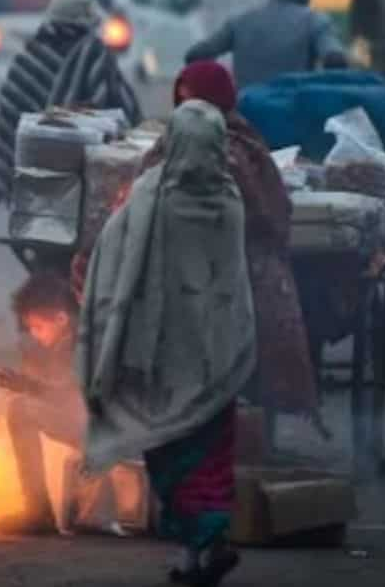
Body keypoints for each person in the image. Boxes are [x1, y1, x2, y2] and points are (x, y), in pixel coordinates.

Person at [79, 101, 255, 587]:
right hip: (214, 354)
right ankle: (200, 552)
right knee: (211, 454)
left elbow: (114, 259)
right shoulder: (230, 201)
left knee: (169, 453)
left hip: (159, 355)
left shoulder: (152, 198)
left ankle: (196, 552)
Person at [173, 62, 318, 422]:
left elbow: (263, 213)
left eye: (193, 101)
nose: (185, 110)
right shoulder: (178, 142)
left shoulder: (235, 149)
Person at [0, 0, 142, 208]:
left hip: (31, 180)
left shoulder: (27, 58)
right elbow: (119, 111)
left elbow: (7, 125)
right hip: (84, 180)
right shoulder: (93, 53)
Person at [0, 272, 85, 537]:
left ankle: (38, 512)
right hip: (98, 425)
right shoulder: (63, 342)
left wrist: (28, 386)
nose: (35, 334)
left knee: (21, 410)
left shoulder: (84, 342)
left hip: (105, 428)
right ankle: (37, 509)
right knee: (20, 405)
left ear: (61, 318)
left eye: (39, 327)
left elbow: (71, 397)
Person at [184, 0, 347, 90]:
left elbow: (195, 55)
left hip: (248, 115)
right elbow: (335, 59)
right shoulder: (314, 21)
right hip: (295, 112)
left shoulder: (240, 22)